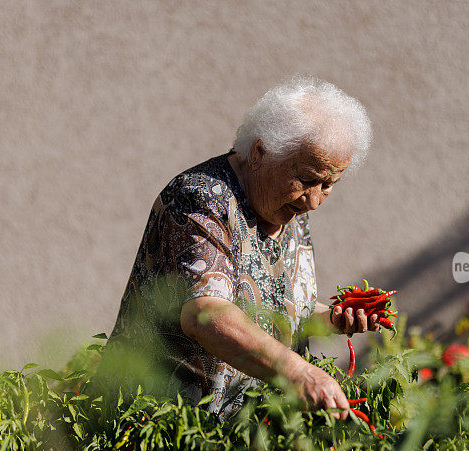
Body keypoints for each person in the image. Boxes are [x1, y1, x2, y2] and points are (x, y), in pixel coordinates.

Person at [100, 76, 374, 422]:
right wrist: (300, 372)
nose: (315, 200)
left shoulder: (289, 210)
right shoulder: (201, 199)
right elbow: (208, 313)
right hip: (160, 436)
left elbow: (276, 306)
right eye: (306, 179)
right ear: (260, 153)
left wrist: (329, 317)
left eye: (329, 184)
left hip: (237, 445)